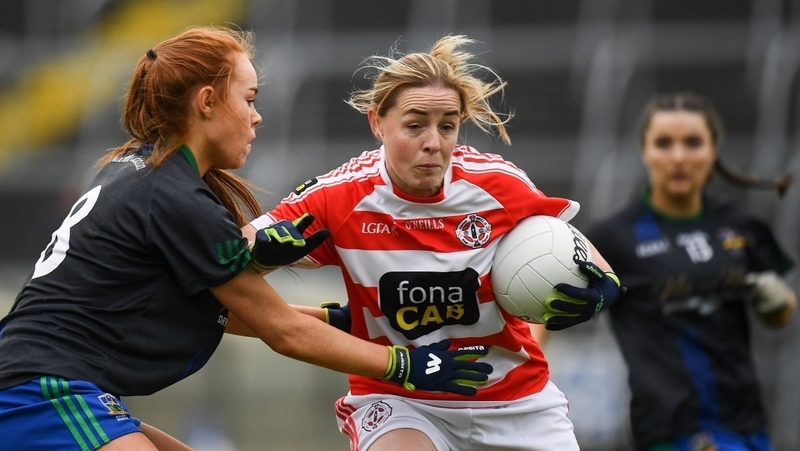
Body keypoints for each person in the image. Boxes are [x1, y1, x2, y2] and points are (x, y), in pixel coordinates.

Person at [0, 27, 495, 451]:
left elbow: (228, 311)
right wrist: (407, 364)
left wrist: (337, 318)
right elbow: (282, 330)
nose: (257, 116)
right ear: (208, 101)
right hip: (40, 394)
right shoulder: (177, 199)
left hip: (44, 387)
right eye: (250, 99)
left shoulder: (142, 170)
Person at [244, 35, 624, 451]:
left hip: (514, 401)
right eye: (414, 124)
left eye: (447, 126)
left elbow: (562, 242)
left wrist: (604, 286)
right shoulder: (340, 196)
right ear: (377, 123)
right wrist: (258, 255)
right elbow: (241, 250)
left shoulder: (497, 185)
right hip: (398, 397)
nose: (433, 142)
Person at [583, 92, 797, 451]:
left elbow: (781, 314)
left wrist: (778, 302)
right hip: (670, 431)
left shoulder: (742, 225)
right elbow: (545, 308)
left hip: (748, 422)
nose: (679, 157)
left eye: (693, 143)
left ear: (713, 151)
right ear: (645, 152)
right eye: (664, 144)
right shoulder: (612, 237)